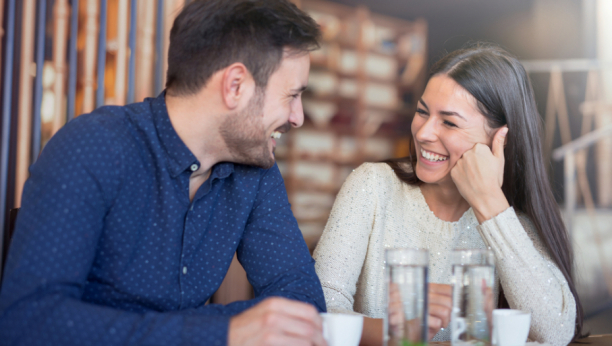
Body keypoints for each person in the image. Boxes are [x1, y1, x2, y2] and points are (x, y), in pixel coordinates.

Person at [0, 1, 328, 345]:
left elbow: (303, 300)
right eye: (292, 95)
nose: (297, 118)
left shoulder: (255, 170)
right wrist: (224, 332)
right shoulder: (94, 147)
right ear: (235, 86)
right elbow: (28, 321)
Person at [313, 44, 584, 346]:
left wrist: (490, 205)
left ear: (499, 141)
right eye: (422, 112)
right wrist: (396, 330)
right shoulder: (372, 186)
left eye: (449, 122)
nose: (424, 133)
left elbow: (557, 332)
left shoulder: (515, 220)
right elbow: (320, 308)